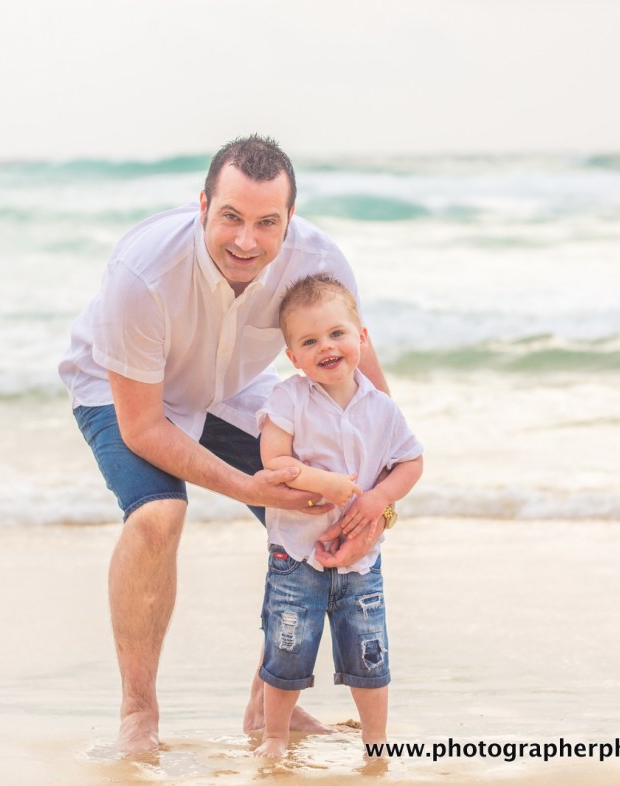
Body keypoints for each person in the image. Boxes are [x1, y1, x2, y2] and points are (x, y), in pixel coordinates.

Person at [58, 135, 393, 754]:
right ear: (203, 204)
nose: (246, 240)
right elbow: (144, 428)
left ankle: (269, 705)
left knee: (326, 506)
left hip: (233, 391)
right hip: (124, 392)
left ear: (289, 220)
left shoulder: (318, 260)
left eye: (267, 223)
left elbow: (359, 383)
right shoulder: (143, 271)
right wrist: (248, 487)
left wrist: (375, 499)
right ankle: (139, 715)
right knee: (159, 516)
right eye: (231, 218)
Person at [252, 273, 424, 759]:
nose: (326, 347)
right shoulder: (288, 399)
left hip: (361, 564)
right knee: (286, 650)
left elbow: (411, 461)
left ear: (361, 338)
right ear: (293, 357)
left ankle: (375, 742)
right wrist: (323, 482)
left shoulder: (381, 408)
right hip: (295, 556)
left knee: (369, 654)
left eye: (337, 334)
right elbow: (275, 462)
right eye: (309, 341)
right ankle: (275, 738)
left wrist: (377, 499)